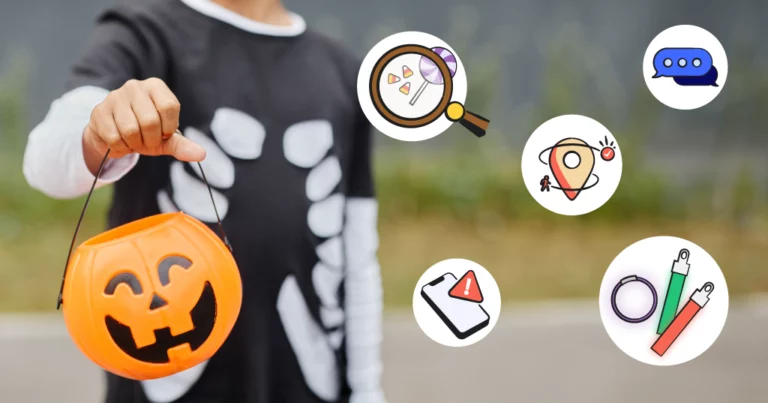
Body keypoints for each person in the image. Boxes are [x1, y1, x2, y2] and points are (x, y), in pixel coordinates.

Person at [22, 0, 385, 402]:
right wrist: (97, 131)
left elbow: (358, 256)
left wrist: (368, 389)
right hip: (165, 374)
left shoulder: (344, 71)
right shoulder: (141, 35)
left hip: (310, 382)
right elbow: (45, 159)